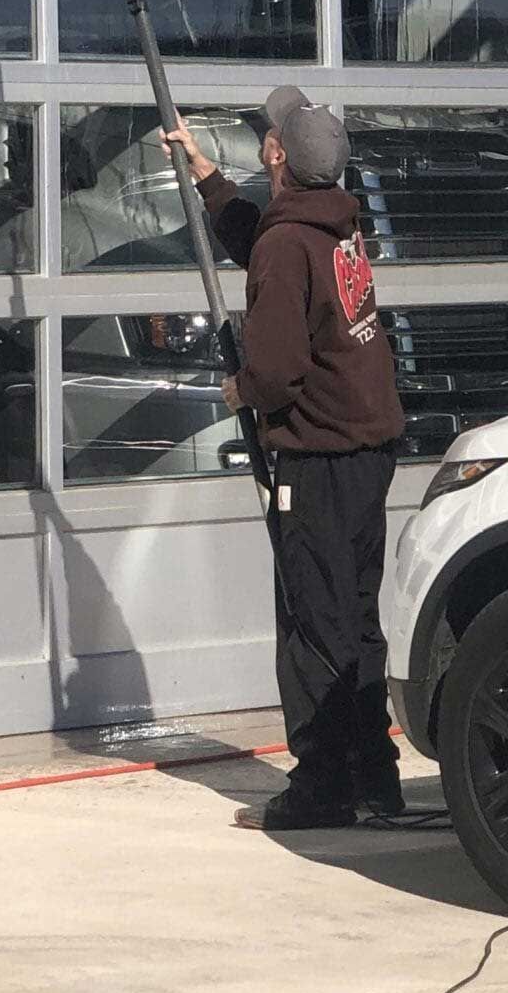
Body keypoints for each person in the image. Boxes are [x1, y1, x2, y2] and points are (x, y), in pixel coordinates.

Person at [165, 88, 406, 831]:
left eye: (270, 134)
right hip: (368, 449)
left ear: (276, 155)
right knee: (357, 616)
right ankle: (375, 774)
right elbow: (265, 241)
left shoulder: (286, 243)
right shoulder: (333, 225)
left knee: (313, 622)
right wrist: (207, 176)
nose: (265, 137)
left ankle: (323, 786)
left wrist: (242, 387)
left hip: (321, 458)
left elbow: (275, 369)